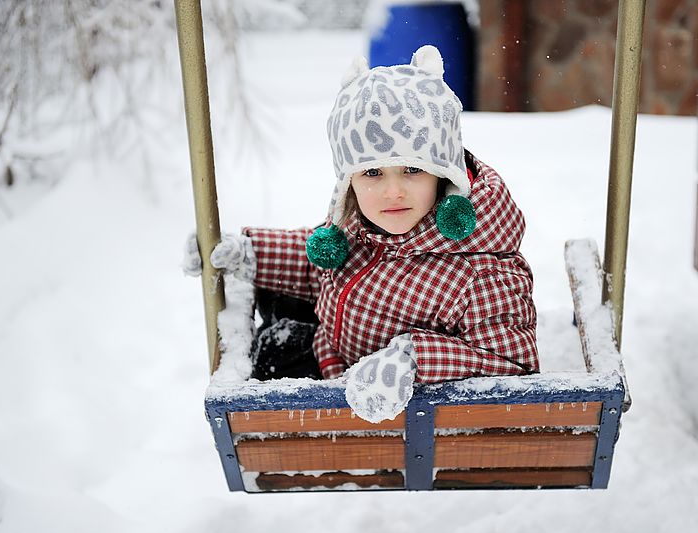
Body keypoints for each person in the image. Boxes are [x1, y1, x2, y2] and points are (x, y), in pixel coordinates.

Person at [185, 45, 538, 423]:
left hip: (374, 401)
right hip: (333, 347)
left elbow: (512, 360)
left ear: (445, 174)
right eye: (373, 173)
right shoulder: (363, 223)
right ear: (349, 181)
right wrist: (250, 252)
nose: (392, 191)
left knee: (272, 355)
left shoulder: (481, 274)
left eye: (412, 170)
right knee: (274, 329)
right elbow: (321, 270)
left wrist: (410, 360)